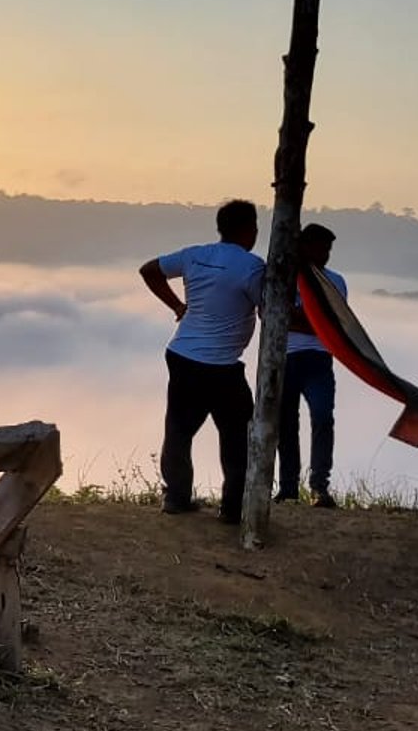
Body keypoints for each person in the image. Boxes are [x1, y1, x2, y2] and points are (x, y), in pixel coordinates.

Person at [139, 199, 266, 524]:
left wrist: (178, 306)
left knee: (179, 431)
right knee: (238, 437)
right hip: (222, 365)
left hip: (183, 355)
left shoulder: (195, 254)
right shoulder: (252, 267)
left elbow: (149, 270)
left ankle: (176, 499)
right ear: (249, 229)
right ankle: (233, 508)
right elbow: (267, 310)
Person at [277, 223, 345, 509]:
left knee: (322, 418)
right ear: (303, 247)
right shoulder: (283, 278)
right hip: (286, 358)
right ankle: (288, 488)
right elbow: (272, 316)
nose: (325, 255)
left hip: (319, 359)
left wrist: (298, 317)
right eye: (319, 248)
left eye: (327, 250)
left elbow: (333, 324)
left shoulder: (335, 281)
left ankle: (320, 487)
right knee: (285, 426)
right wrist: (313, 321)